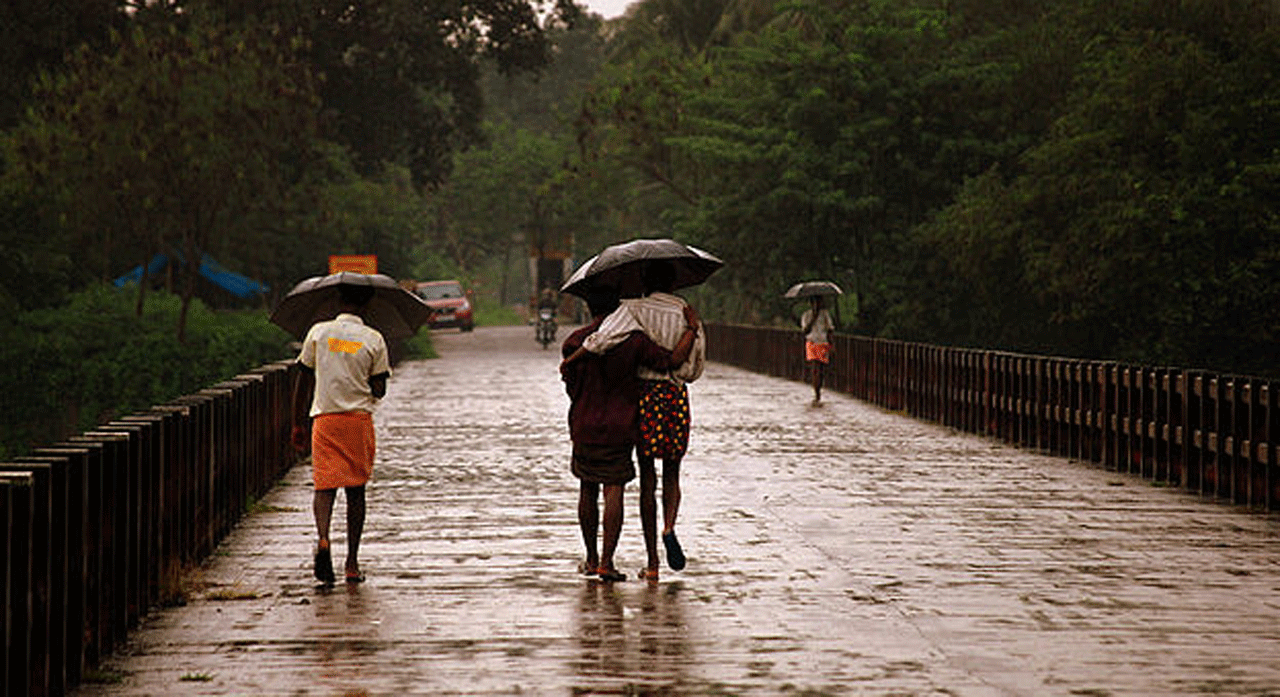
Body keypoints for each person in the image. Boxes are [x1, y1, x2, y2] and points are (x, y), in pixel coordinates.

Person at [561, 261, 705, 581]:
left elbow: (591, 352)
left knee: (620, 482)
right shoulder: (682, 315)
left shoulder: (616, 320)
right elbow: (687, 366)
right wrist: (691, 330)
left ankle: (634, 561)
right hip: (663, 401)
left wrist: (572, 361)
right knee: (666, 473)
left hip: (603, 417)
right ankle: (666, 529)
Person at [291, 283, 391, 586]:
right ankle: (351, 563)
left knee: (325, 485)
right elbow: (380, 389)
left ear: (338, 301)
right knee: (355, 490)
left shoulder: (319, 334)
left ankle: (323, 538)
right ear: (367, 306)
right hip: (357, 421)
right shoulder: (373, 339)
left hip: (325, 420)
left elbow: (303, 379)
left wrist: (297, 423)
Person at [800, 295, 836, 405]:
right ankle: (816, 393)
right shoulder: (806, 315)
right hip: (811, 342)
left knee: (820, 369)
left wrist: (832, 345)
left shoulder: (825, 315)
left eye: (818, 302)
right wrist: (813, 318)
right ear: (811, 304)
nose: (817, 305)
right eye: (814, 303)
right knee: (814, 367)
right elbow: (805, 330)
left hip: (822, 343)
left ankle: (818, 388)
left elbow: (830, 330)